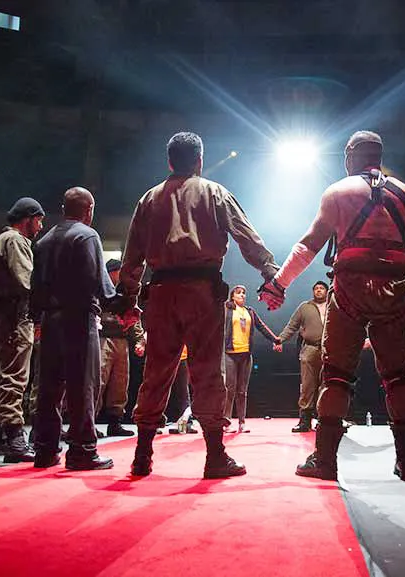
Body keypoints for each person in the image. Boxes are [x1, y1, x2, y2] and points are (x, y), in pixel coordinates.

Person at [259, 130, 405, 482]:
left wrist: (277, 285)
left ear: (349, 157)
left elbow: (308, 246)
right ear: (378, 155)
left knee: (337, 376)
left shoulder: (338, 192)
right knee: (398, 377)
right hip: (395, 290)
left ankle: (325, 462)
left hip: (349, 291)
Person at [119, 131, 279, 479]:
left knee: (157, 372)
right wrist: (270, 273)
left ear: (169, 161)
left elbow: (132, 257)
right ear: (200, 160)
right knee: (208, 373)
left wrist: (128, 298)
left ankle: (142, 456)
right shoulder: (215, 192)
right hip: (203, 291)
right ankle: (215, 456)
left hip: (160, 291)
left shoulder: (149, 199)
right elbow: (246, 237)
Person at [30, 187, 117, 470]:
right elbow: (102, 286)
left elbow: (35, 287)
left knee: (49, 387)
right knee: (82, 386)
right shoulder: (87, 236)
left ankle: (45, 450)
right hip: (79, 318)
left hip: (49, 319)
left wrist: (36, 320)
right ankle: (82, 450)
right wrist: (124, 305)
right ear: (89, 209)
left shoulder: (42, 241)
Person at [0, 197, 44, 462]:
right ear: (28, 218)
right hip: (14, 318)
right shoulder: (15, 241)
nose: (40, 227)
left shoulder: (1, 239)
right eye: (39, 220)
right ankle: (15, 441)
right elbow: (27, 282)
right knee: (14, 377)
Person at [97, 259, 144, 437]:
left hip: (121, 340)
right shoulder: (101, 288)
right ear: (111, 272)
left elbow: (134, 316)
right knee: (99, 381)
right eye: (118, 272)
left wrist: (139, 339)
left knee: (120, 383)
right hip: (103, 338)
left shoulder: (125, 291)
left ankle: (115, 422)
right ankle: (89, 421)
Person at [275, 281, 329, 433]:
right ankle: (304, 421)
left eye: (322, 288)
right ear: (313, 292)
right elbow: (292, 325)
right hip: (310, 349)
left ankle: (325, 420)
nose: (319, 291)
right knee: (307, 386)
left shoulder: (334, 305)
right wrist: (280, 339)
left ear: (327, 291)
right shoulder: (305, 307)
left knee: (327, 386)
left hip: (330, 350)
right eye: (316, 288)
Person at [224, 285, 279, 433]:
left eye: (243, 293)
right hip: (230, 353)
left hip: (246, 355)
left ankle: (242, 423)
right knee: (230, 389)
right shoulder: (227, 309)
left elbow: (261, 327)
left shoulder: (250, 312)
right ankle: (226, 422)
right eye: (238, 293)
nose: (242, 295)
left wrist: (276, 340)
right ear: (232, 296)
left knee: (242, 391)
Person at [167, 346, 198, 434]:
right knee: (161, 391)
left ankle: (186, 423)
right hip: (166, 356)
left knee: (183, 391)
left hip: (183, 356)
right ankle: (154, 424)